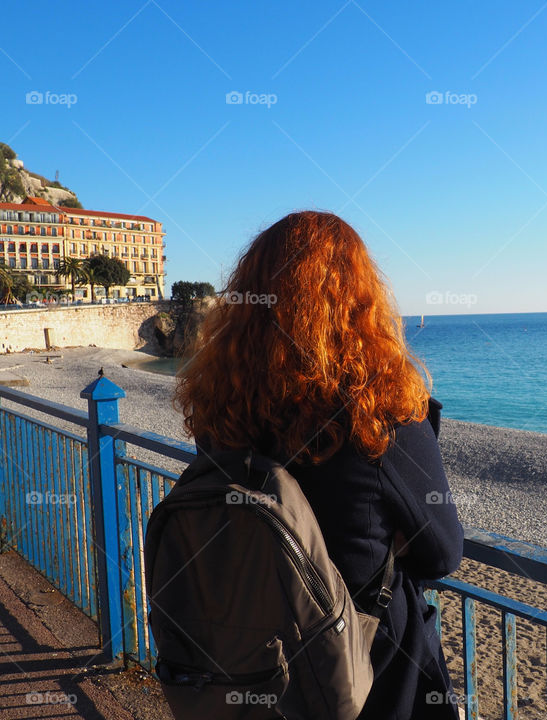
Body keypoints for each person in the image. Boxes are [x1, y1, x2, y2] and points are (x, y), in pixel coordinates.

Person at [174, 210, 464, 720]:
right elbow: (442, 554)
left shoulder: (221, 413)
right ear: (361, 300)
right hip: (366, 677)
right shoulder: (379, 418)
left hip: (256, 663)